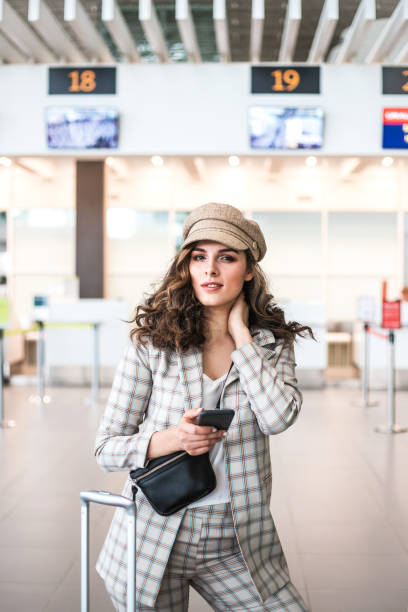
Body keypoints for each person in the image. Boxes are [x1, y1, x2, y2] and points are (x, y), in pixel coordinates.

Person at [94, 202, 314, 611]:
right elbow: (106, 448)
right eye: (199, 257)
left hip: (236, 539)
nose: (210, 270)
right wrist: (173, 438)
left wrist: (241, 337)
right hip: (153, 537)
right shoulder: (152, 343)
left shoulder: (271, 343)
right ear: (187, 266)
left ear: (248, 269)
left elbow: (278, 417)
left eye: (226, 258)